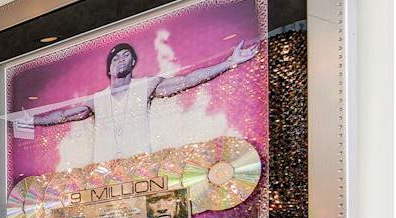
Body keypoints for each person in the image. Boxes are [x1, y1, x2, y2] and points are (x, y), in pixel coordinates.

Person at [17, 38, 256, 164]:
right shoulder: (96, 100)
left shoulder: (146, 86)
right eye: (115, 58)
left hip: (140, 166)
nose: (120, 60)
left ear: (133, 63)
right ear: (109, 67)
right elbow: (62, 116)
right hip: (103, 170)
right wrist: (31, 121)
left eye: (126, 56)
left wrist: (229, 62)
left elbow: (188, 80)